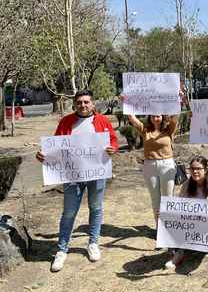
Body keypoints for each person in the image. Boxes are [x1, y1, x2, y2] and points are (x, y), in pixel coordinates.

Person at [35, 90, 118, 272]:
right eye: (79, 102)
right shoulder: (65, 122)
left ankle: (93, 243)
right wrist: (44, 155)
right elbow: (55, 146)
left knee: (96, 208)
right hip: (72, 176)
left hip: (96, 174)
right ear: (75, 104)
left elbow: (112, 140)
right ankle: (62, 249)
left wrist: (113, 148)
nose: (83, 105)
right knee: (69, 212)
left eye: (86, 102)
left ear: (93, 104)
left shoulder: (103, 121)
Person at [164, 156, 208, 269]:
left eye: (198, 168)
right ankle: (179, 253)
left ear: (205, 170)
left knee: (207, 248)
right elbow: (180, 207)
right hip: (192, 222)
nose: (195, 171)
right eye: (192, 168)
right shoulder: (186, 185)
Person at [125, 111, 178, 228]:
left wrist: (178, 100)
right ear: (150, 117)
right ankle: (160, 228)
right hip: (150, 165)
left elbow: (175, 117)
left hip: (167, 164)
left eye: (158, 115)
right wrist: (126, 103)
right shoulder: (145, 130)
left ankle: (169, 227)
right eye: (153, 115)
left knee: (168, 197)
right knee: (155, 199)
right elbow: (132, 118)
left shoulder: (169, 129)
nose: (156, 118)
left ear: (162, 116)